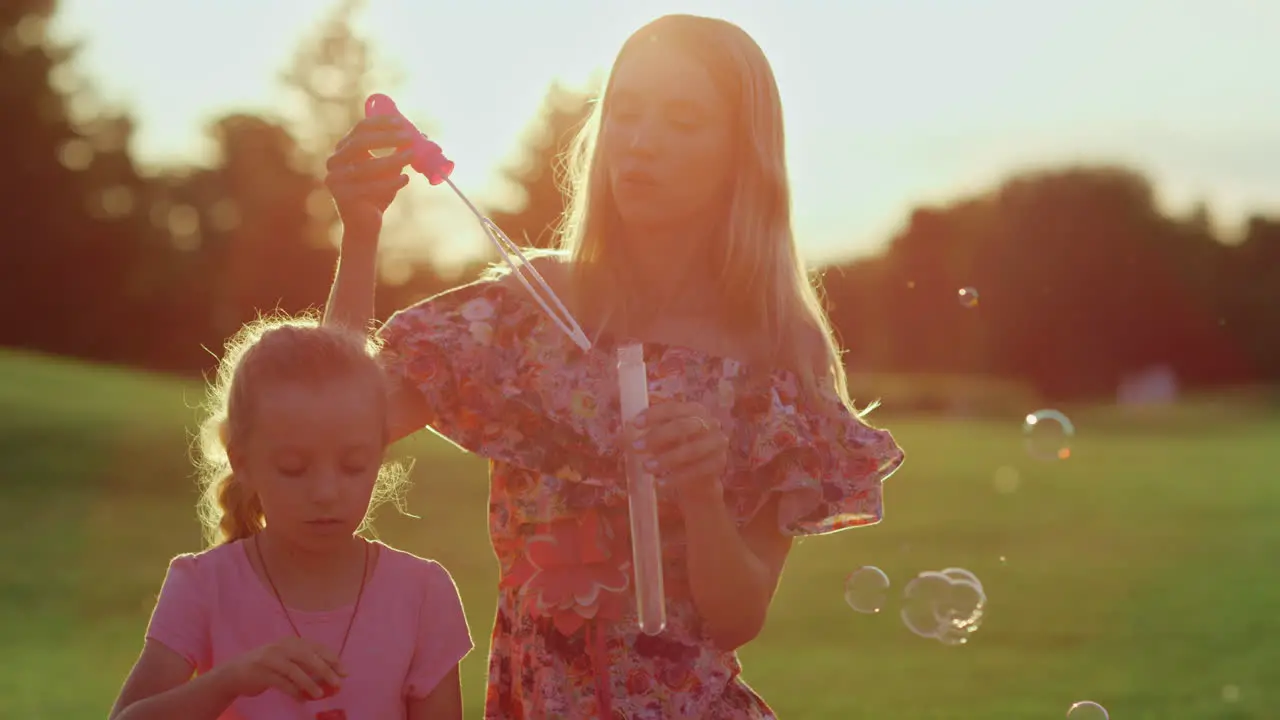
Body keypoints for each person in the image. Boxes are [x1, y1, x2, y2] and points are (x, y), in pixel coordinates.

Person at [322, 12, 905, 719]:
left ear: (741, 153)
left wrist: (700, 490)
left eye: (684, 120)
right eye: (626, 111)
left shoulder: (774, 354)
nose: (642, 141)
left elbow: (736, 619)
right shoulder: (526, 312)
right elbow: (333, 426)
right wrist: (360, 232)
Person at [108, 317, 473, 720]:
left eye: (353, 466)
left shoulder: (423, 594)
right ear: (242, 463)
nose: (325, 493)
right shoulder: (202, 585)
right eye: (294, 468)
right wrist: (229, 681)